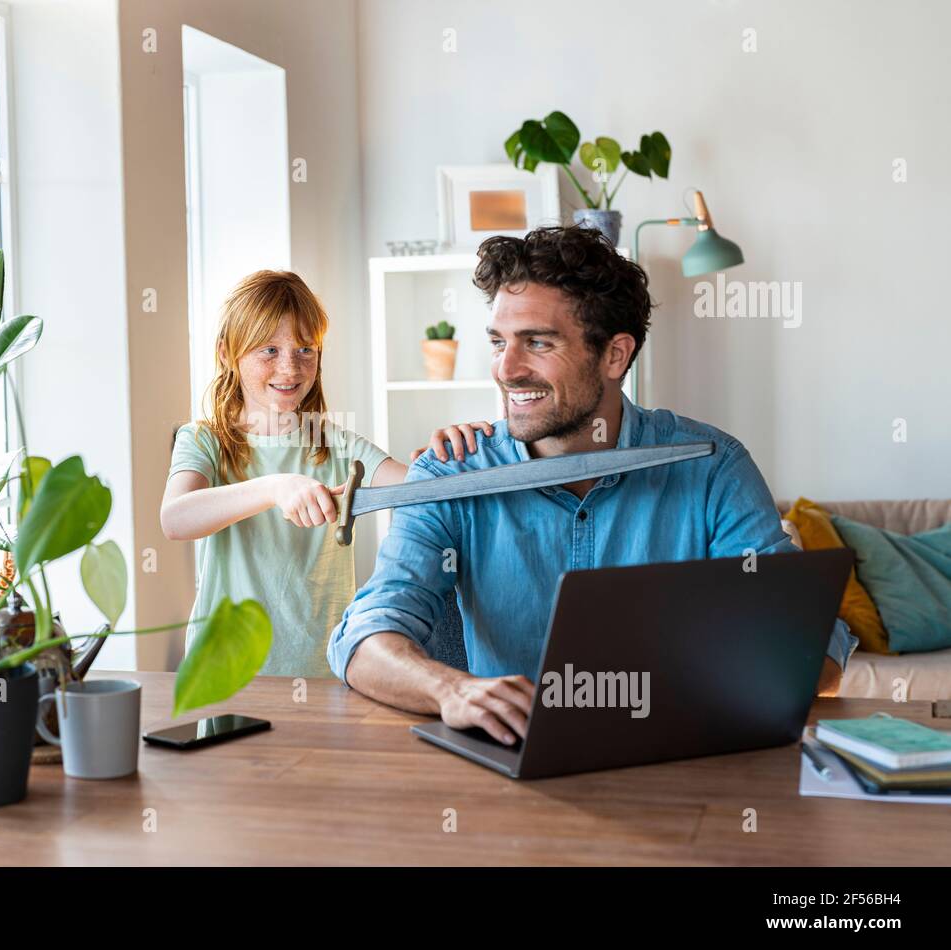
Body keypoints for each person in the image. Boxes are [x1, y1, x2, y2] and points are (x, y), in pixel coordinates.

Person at [328, 226, 856, 745]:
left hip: (676, 760)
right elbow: (365, 637)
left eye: (537, 342)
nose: (506, 369)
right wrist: (453, 690)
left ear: (614, 356)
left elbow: (811, 642)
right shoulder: (451, 473)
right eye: (498, 342)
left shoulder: (711, 467)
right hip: (513, 762)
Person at [161, 269, 488, 677]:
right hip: (225, 674)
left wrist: (453, 455)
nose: (290, 368)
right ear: (227, 353)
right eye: (269, 350)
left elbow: (423, 489)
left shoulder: (337, 444)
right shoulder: (205, 440)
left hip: (326, 669)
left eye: (305, 350)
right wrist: (275, 488)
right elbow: (176, 519)